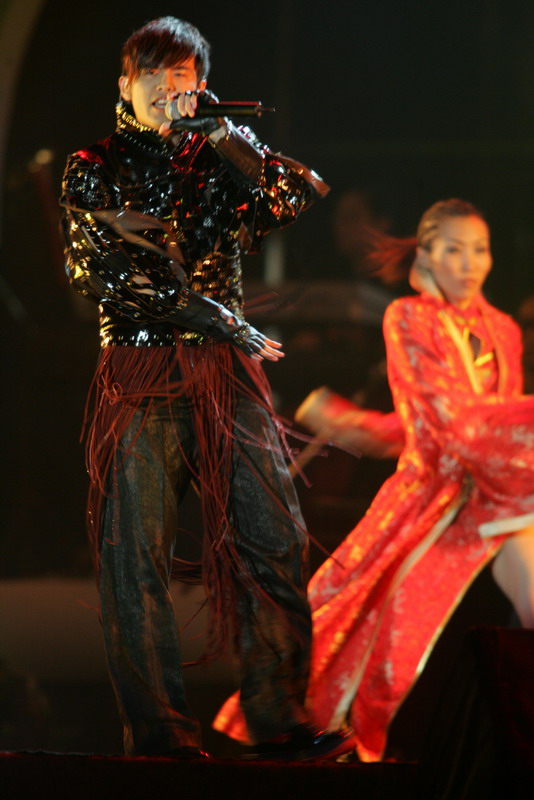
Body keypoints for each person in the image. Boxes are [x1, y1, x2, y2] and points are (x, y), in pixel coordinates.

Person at [60, 16, 355, 761]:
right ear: (125, 83)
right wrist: (220, 318)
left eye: (183, 75)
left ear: (201, 84)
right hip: (143, 370)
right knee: (136, 555)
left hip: (225, 371)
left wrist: (225, 133)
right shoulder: (91, 166)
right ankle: (159, 734)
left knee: (275, 535)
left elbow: (290, 197)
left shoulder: (217, 154)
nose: (168, 88)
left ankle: (278, 718)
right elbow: (109, 275)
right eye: (153, 73)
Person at [214, 198, 534, 761]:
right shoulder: (408, 318)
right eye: (454, 249)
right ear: (426, 255)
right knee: (381, 637)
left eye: (479, 250)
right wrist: (352, 425)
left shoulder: (504, 330)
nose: (469, 263)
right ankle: (355, 749)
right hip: (431, 497)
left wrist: (350, 424)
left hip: (498, 493)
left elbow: (483, 427)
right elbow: (442, 422)